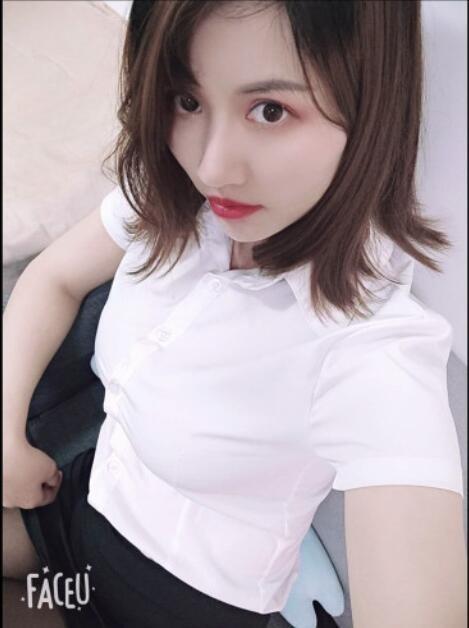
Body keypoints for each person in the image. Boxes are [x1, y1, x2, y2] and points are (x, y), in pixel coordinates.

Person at [3, 1, 466, 627]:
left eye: (270, 110)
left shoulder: (371, 349)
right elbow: (54, 278)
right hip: (79, 506)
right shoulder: (171, 198)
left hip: (178, 606)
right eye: (187, 99)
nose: (211, 167)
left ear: (370, 108)